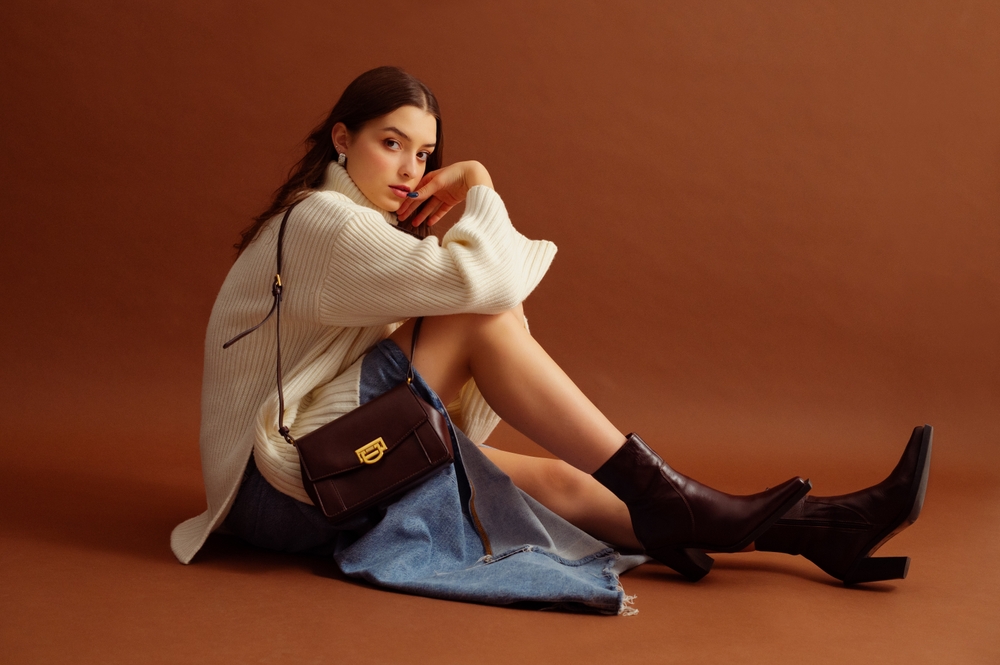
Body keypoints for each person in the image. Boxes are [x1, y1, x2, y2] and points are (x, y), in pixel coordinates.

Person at [171, 66, 932, 614]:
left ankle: (821, 530)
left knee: (561, 485)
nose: (410, 170)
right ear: (343, 138)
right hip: (285, 487)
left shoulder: (343, 222)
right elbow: (486, 287)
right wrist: (480, 182)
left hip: (297, 477)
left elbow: (472, 283)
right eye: (391, 144)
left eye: (426, 155)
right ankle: (677, 500)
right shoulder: (324, 222)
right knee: (478, 316)